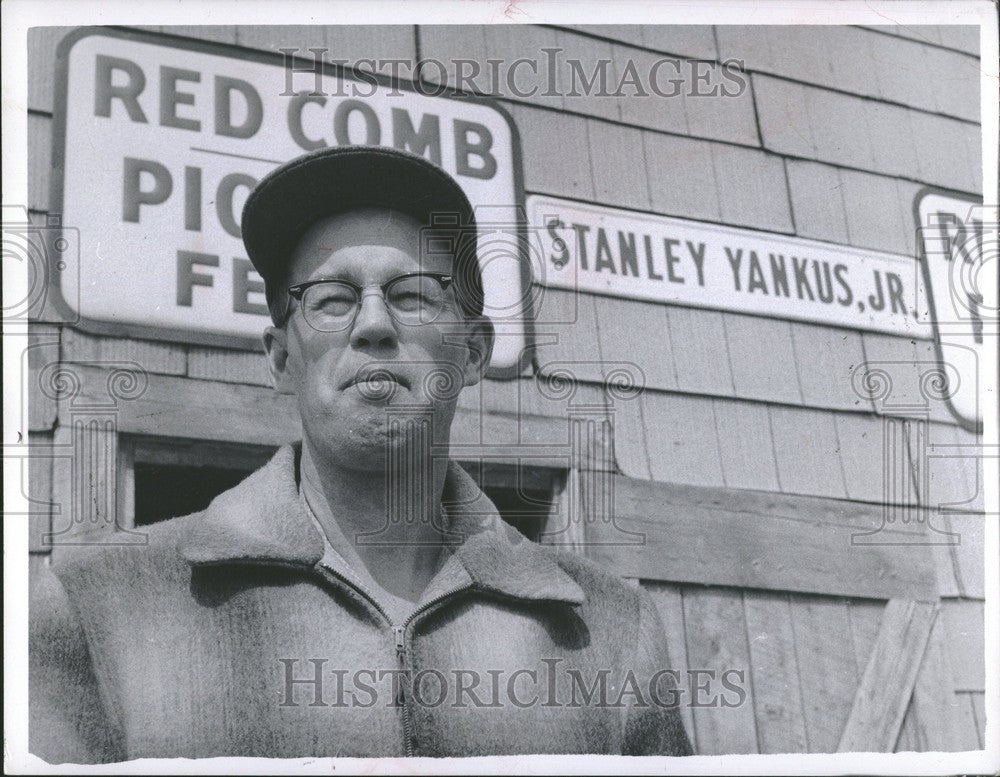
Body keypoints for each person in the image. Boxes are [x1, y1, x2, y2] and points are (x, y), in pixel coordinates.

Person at [29, 146, 693, 761]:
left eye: (411, 294)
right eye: (332, 299)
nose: (373, 324)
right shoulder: (96, 610)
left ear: (473, 351)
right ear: (282, 356)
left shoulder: (608, 629)